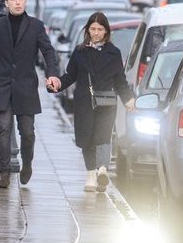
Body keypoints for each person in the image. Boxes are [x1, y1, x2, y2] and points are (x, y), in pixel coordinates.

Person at [0, 0, 60, 188]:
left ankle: (28, 163)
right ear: (6, 3)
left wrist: (52, 74)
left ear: (25, 1)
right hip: (3, 85)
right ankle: (4, 173)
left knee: (27, 132)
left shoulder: (36, 26)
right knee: (3, 129)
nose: (17, 2)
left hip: (26, 86)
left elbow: (48, 51)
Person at [56, 12, 136, 192]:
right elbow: (70, 75)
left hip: (107, 102)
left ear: (106, 31)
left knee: (103, 136)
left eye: (100, 29)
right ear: (88, 30)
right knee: (87, 139)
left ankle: (102, 170)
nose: (96, 33)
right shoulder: (80, 51)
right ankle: (91, 176)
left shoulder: (113, 52)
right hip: (84, 101)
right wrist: (57, 84)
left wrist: (128, 99)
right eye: (93, 29)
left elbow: (120, 80)